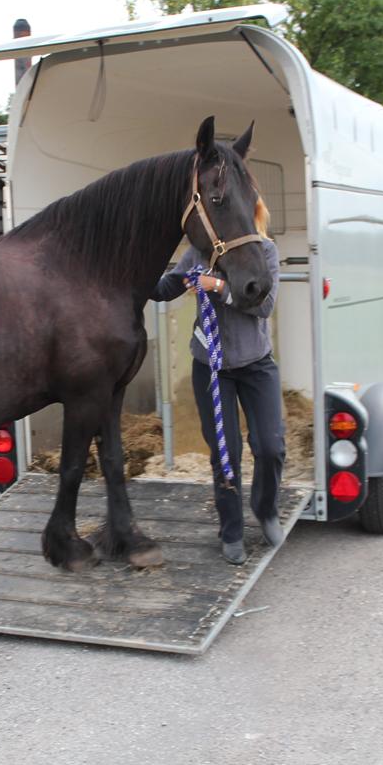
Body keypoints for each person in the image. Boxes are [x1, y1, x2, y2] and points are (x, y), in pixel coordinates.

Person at [149, 233, 286, 565]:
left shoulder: (263, 250)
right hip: (211, 366)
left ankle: (266, 508)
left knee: (271, 446)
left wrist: (216, 287)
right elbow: (165, 289)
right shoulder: (198, 252)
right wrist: (139, 265)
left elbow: (264, 306)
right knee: (226, 453)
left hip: (257, 365)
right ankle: (231, 531)